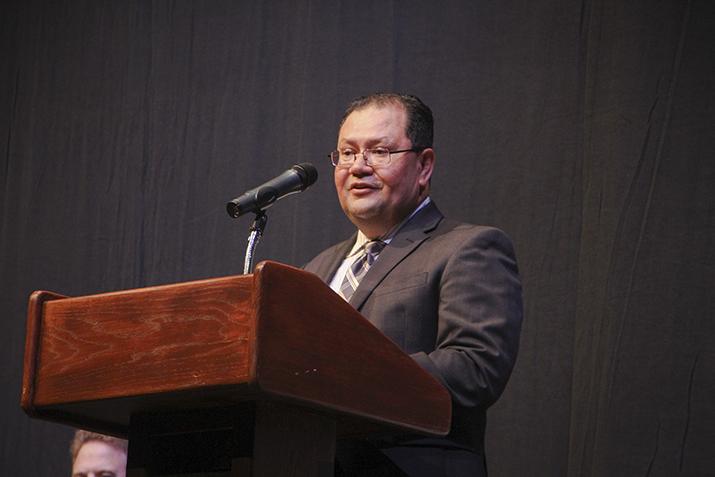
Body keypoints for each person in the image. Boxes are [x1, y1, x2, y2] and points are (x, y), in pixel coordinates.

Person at [304, 93, 523, 477]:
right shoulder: (316, 271)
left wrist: (344, 381)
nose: (359, 167)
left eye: (380, 151)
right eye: (347, 153)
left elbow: (476, 368)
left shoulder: (467, 247)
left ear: (424, 166)